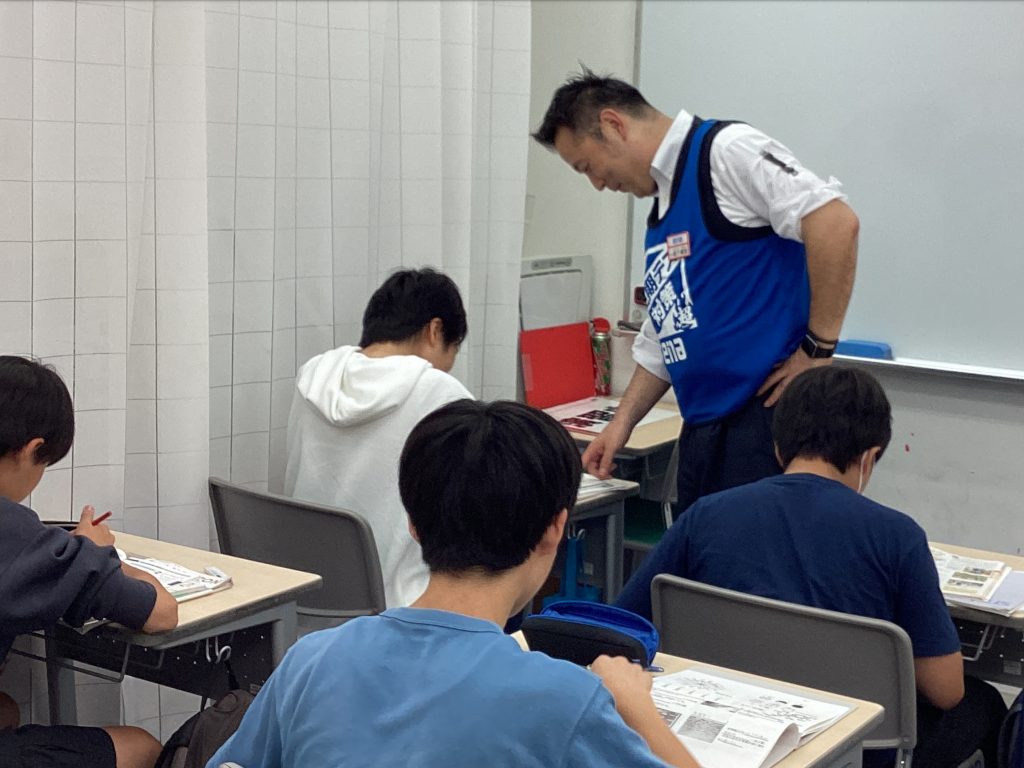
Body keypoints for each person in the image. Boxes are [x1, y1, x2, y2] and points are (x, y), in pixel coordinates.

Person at [210, 400, 698, 768]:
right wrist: (637, 707)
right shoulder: (565, 701)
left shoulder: (312, 661)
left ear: (413, 523)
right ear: (555, 529)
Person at [615, 366, 1007, 768]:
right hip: (854, 751)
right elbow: (945, 690)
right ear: (870, 457)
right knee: (986, 703)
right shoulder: (898, 537)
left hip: (722, 738)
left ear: (778, 448)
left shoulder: (705, 516)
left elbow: (621, 629)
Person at [533, 69, 860, 513]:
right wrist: (621, 424)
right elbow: (665, 335)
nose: (598, 184)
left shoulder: (726, 152)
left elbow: (835, 223)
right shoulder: (662, 211)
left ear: (613, 125)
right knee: (700, 551)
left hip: (763, 419)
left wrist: (817, 351)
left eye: (588, 166)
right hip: (705, 429)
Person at [0, 355, 179, 768]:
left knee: (6, 709)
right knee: (141, 747)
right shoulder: (17, 536)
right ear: (32, 450)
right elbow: (161, 613)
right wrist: (97, 549)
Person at [284, 267, 472, 608]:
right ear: (435, 330)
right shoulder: (441, 394)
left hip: (308, 598)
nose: (447, 367)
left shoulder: (314, 377)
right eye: (452, 352)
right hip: (402, 601)